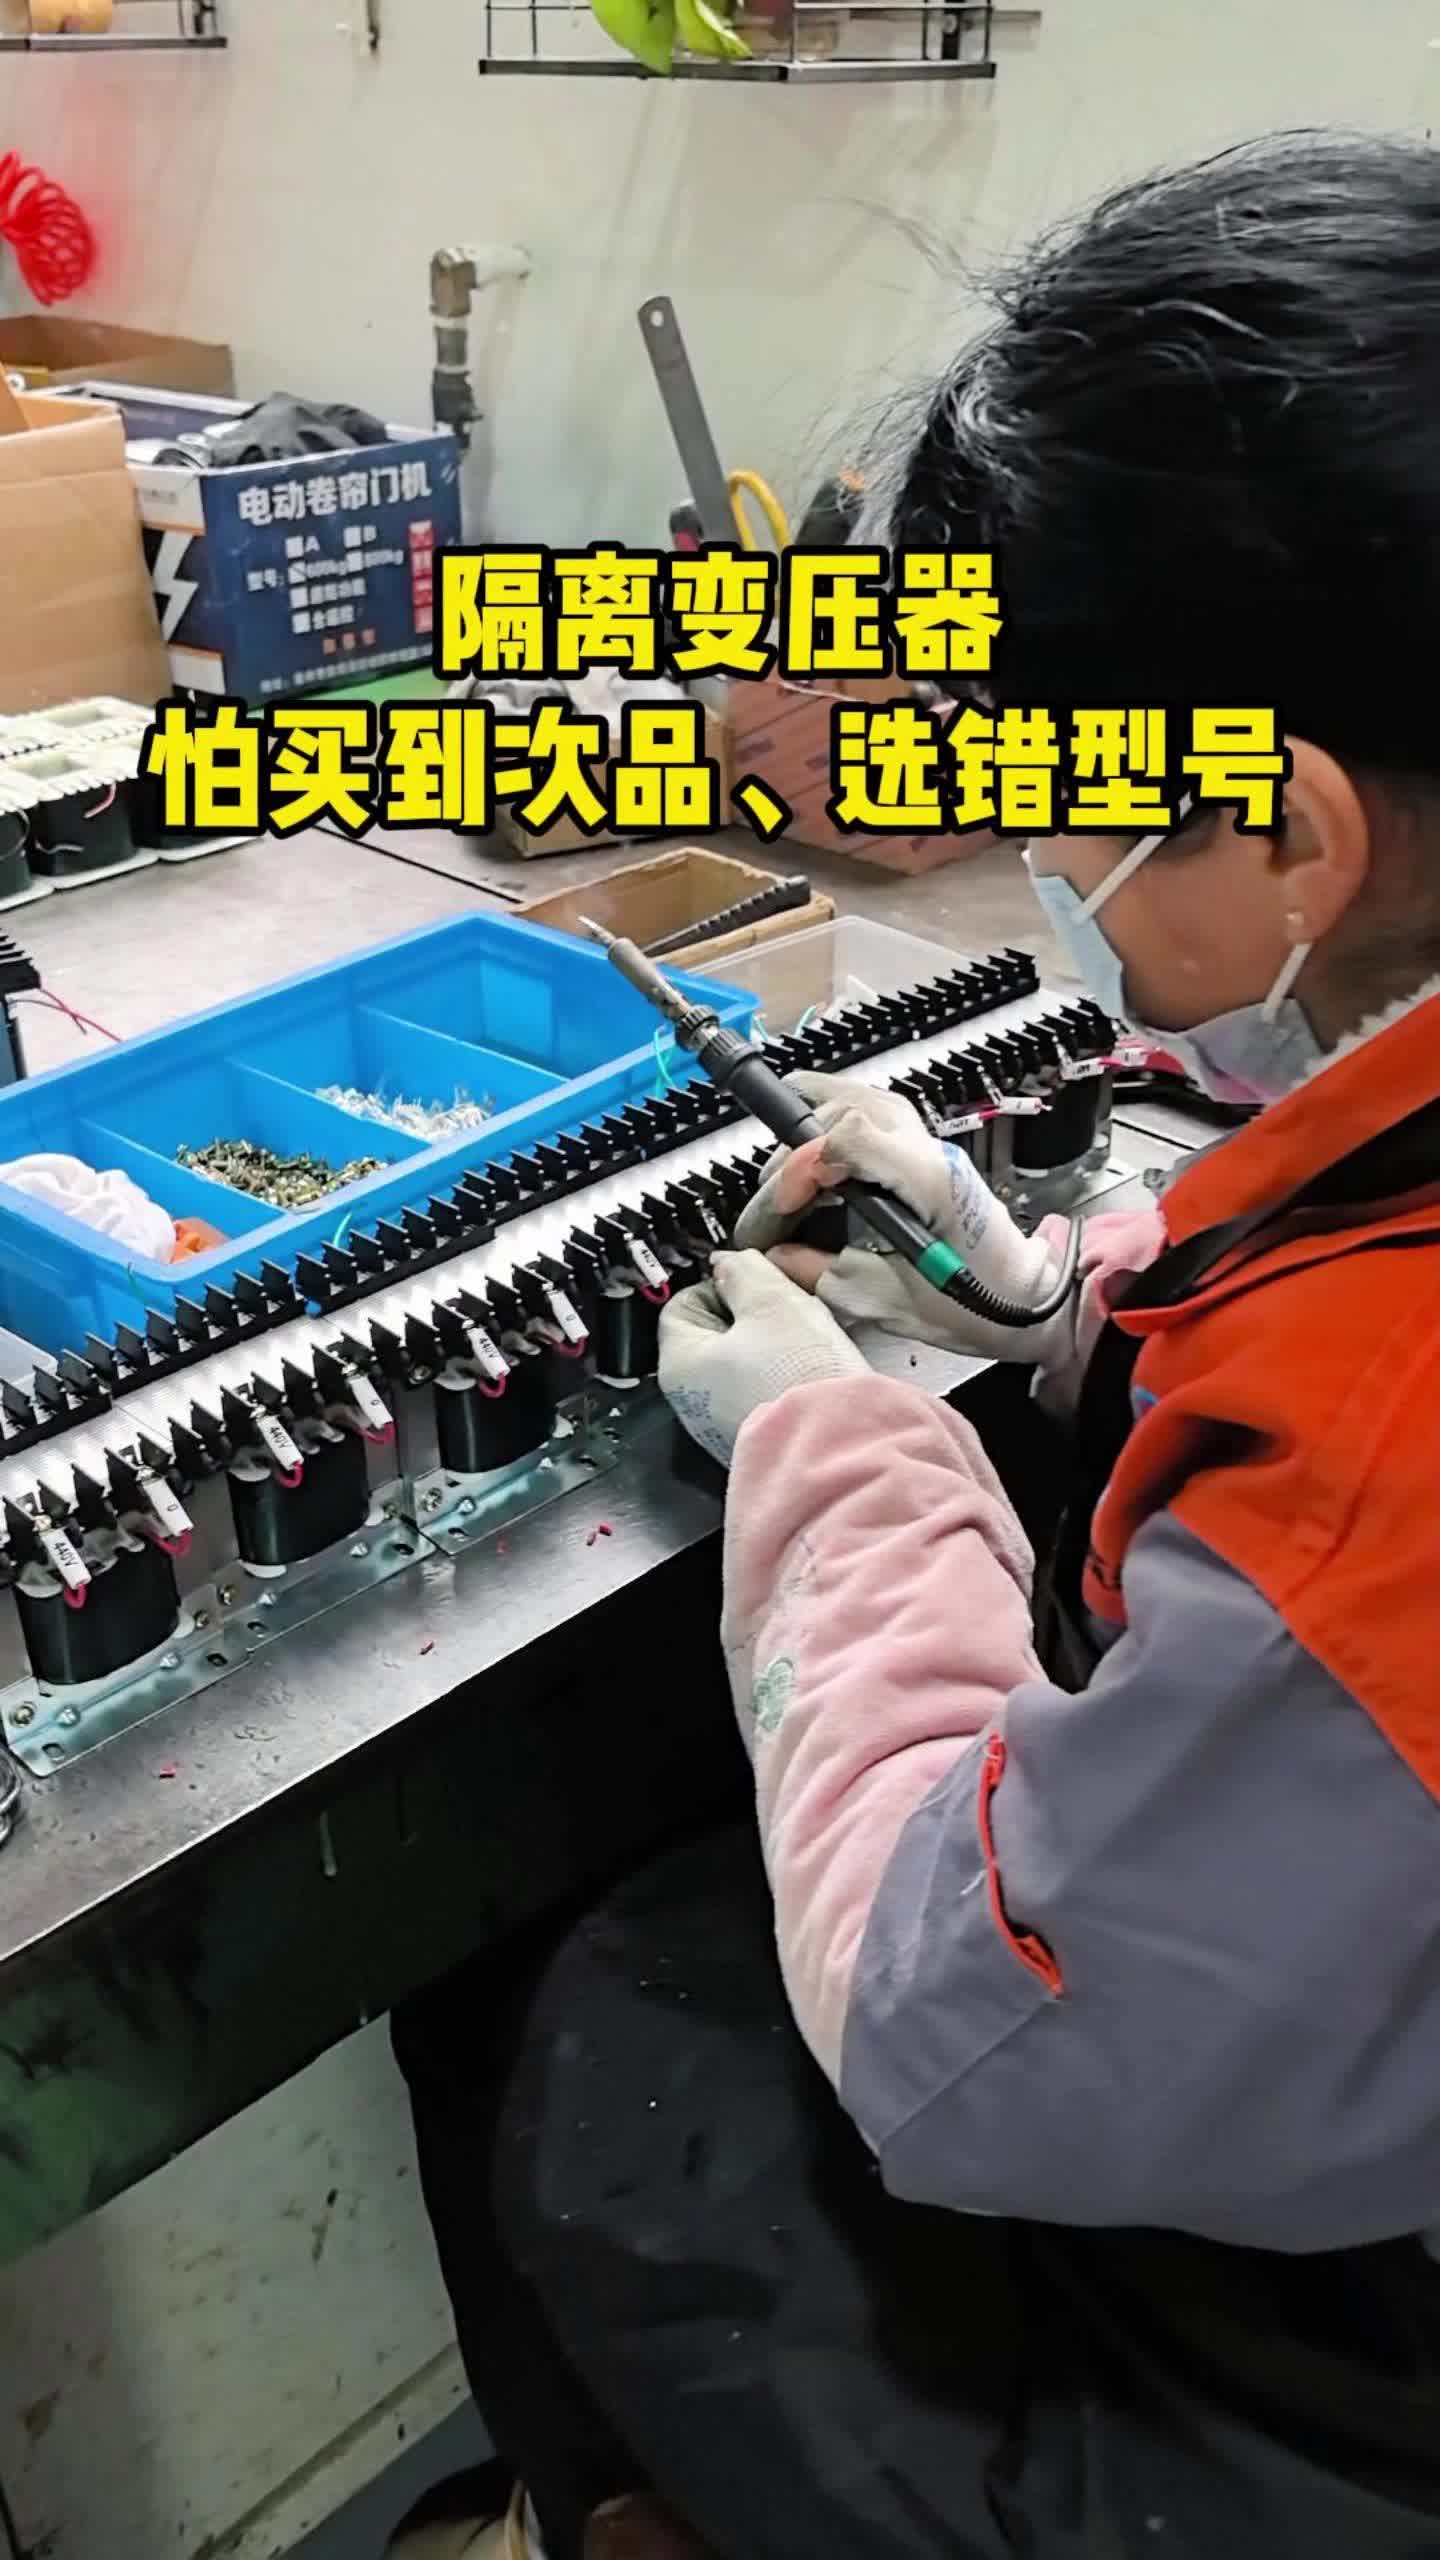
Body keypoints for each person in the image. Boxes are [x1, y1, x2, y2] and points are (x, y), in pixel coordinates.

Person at [390, 128, 1440, 2559]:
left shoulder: (1373, 1482)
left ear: (1298, 838)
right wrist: (1065, 1301)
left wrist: (848, 1447)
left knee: (584, 2004)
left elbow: (962, 2029)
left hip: (1354, 2353)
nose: (1044, 862)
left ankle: (622, 2513)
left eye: (1064, 797)